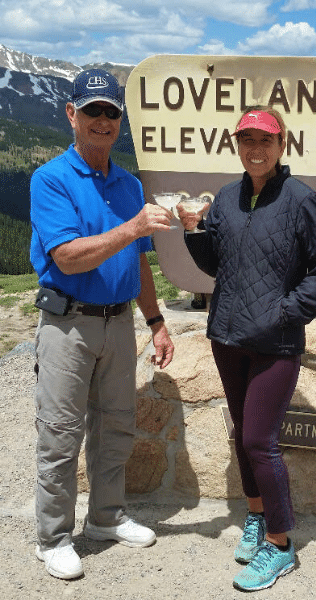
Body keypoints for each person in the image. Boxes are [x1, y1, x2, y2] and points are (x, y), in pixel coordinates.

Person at [178, 106, 316, 592]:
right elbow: (218, 264)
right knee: (241, 434)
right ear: (237, 144)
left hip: (275, 342)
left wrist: (288, 313)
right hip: (227, 338)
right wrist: (192, 230)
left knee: (259, 443)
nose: (255, 148)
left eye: (264, 140)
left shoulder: (300, 199)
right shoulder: (226, 198)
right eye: (247, 139)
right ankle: (255, 515)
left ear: (281, 144)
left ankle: (280, 544)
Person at [29, 68, 175, 580]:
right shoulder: (49, 178)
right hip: (67, 324)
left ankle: (106, 518)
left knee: (116, 425)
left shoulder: (129, 183)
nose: (101, 120)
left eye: (110, 112)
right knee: (61, 433)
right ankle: (52, 537)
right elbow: (67, 257)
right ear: (71, 114)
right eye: (91, 111)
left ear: (120, 121)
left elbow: (137, 262)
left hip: (118, 322)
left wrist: (155, 320)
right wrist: (133, 226)